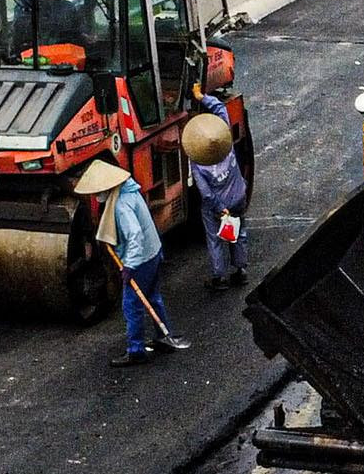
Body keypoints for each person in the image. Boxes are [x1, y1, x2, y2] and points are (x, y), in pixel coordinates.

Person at [78, 159, 187, 365]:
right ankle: (164, 335)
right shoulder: (130, 191)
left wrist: (129, 265)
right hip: (153, 252)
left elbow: (135, 235)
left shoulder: (120, 206)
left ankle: (136, 350)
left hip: (141, 259)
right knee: (153, 297)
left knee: (132, 305)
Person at [183, 109, 248, 290]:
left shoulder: (198, 165)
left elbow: (206, 194)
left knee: (215, 240)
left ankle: (219, 278)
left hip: (217, 207)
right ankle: (241, 270)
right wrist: (202, 96)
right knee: (239, 233)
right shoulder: (227, 147)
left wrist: (220, 208)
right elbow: (221, 108)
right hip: (238, 198)